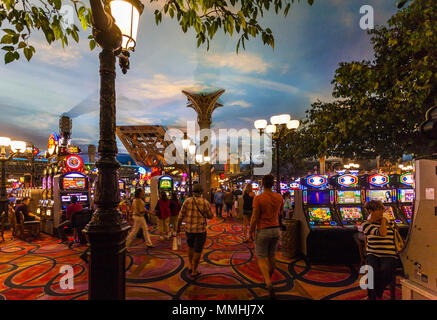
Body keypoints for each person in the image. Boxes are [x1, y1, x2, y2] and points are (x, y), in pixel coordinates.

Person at [249, 174, 284, 299]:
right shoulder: (279, 197)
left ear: (262, 184)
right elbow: (281, 212)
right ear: (273, 184)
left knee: (262, 257)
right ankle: (268, 278)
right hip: (275, 230)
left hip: (263, 230)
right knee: (272, 256)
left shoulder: (259, 198)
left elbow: (254, 217)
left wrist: (250, 231)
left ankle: (268, 282)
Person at [361, 200, 399, 300]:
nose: (382, 211)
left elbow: (396, 234)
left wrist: (386, 221)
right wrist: (383, 221)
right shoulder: (365, 224)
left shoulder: (390, 222)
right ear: (370, 211)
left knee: (385, 271)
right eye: (379, 209)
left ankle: (375, 294)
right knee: (372, 272)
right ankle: (372, 296)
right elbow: (382, 233)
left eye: (383, 209)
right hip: (373, 253)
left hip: (389, 254)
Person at [176, 184, 213, 278]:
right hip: (200, 231)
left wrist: (178, 227)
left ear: (192, 192)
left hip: (189, 229)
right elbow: (210, 216)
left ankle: (190, 265)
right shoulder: (205, 202)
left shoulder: (187, 201)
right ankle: (194, 270)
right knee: (198, 250)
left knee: (191, 247)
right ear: (201, 192)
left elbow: (180, 216)